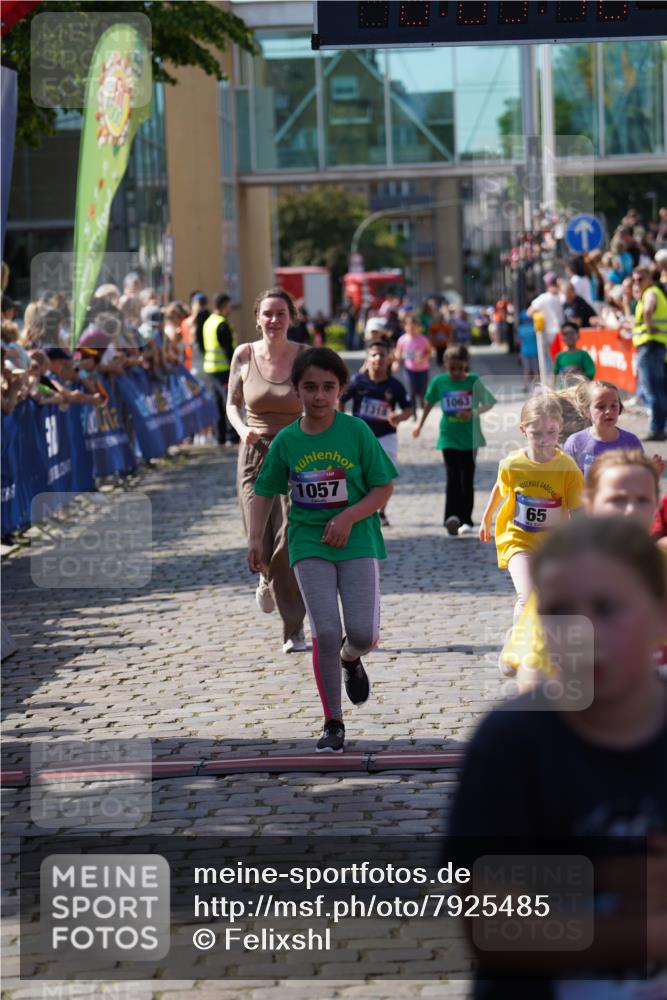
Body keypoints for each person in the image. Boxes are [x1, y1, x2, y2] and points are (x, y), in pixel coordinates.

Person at [448, 516, 667, 999]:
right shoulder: (512, 742)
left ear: (659, 615)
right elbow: (495, 928)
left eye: (608, 608)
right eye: (561, 611)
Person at [248, 347, 397, 753]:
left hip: (358, 540)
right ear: (295, 390)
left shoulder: (357, 432)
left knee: (362, 634)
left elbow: (383, 486)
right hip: (308, 542)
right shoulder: (287, 441)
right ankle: (333, 721)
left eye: (327, 388)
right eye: (310, 387)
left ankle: (352, 659)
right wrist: (255, 538)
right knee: (326, 631)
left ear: (340, 390)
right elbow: (264, 490)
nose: (318, 396)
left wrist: (349, 517)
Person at [500, 448, 663, 685]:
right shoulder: (564, 581)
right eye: (617, 500)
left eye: (642, 500)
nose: (630, 511)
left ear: (656, 505)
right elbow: (534, 678)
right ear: (591, 505)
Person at [226, 287, 307, 654]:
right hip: (254, 453)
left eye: (281, 314)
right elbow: (232, 404)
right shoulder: (243, 354)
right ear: (257, 317)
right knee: (257, 532)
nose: (274, 321)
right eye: (268, 314)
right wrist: (244, 431)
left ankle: (294, 630)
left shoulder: (305, 356)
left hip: (296, 452)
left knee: (290, 538)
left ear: (291, 318)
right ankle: (267, 577)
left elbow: (322, 398)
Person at [479, 393, 584, 622]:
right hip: (518, 540)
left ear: (561, 427)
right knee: (527, 597)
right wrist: (486, 519)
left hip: (553, 545)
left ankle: (542, 647)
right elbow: (500, 487)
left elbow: (578, 509)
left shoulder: (567, 467)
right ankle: (517, 646)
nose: (544, 439)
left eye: (551, 432)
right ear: (523, 430)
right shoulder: (512, 464)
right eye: (536, 433)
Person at [413, 345, 496, 536]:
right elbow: (428, 403)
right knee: (452, 477)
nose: (457, 373)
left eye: (460, 368)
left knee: (467, 478)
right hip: (448, 435)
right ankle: (451, 517)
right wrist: (419, 425)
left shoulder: (474, 380)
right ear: (445, 365)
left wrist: (473, 412)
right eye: (452, 369)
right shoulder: (439, 382)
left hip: (470, 437)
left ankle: (466, 519)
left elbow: (489, 402)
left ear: (466, 364)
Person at [339, 339, 412, 527]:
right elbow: (340, 399)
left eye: (382, 355)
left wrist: (399, 416)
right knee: (360, 475)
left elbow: (409, 409)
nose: (378, 358)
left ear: (389, 359)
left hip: (386, 436)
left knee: (383, 476)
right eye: (374, 355)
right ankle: (362, 510)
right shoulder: (357, 381)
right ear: (368, 358)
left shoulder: (395, 385)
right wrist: (340, 420)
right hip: (360, 437)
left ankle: (381, 512)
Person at [562, 379, 643, 476]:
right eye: (601, 407)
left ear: (620, 407)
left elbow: (640, 481)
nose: (609, 411)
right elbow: (566, 482)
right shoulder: (575, 443)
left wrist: (654, 473)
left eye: (613, 405)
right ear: (586, 411)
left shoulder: (631, 442)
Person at [625, 266, 667, 442]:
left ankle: (657, 429)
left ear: (649, 278)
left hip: (649, 347)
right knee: (659, 390)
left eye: (640, 279)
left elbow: (648, 310)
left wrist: (649, 326)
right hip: (656, 347)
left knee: (653, 391)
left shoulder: (650, 293)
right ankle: (660, 427)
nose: (637, 282)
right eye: (634, 279)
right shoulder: (653, 293)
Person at [202, 293, 239, 446]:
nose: (230, 309)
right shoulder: (222, 324)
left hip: (210, 368)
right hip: (223, 368)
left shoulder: (208, 322)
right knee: (229, 402)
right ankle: (232, 436)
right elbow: (228, 349)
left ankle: (220, 437)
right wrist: (236, 367)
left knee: (217, 403)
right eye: (229, 306)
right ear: (224, 306)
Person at [393, 313, 432, 417]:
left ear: (419, 328)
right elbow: (398, 352)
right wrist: (396, 363)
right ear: (405, 327)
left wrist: (423, 358)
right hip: (409, 369)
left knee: (422, 392)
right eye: (410, 327)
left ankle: (423, 409)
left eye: (415, 327)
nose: (412, 329)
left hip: (423, 369)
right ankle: (414, 413)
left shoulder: (423, 339)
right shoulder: (402, 340)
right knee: (411, 391)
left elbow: (429, 351)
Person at [527, 272, 564, 349]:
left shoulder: (543, 298)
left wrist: (538, 317)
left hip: (548, 332)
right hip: (562, 331)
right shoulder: (563, 296)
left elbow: (529, 312)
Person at [552, 321, 595, 387]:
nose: (569, 336)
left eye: (572, 333)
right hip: (563, 391)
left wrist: (577, 375)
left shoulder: (583, 355)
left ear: (578, 335)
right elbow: (555, 375)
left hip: (579, 390)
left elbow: (590, 374)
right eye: (566, 334)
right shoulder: (560, 356)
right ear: (562, 337)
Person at [517, 310, 539, 392]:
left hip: (524, 352)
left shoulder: (520, 329)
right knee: (535, 369)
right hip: (535, 351)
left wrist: (519, 353)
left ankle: (525, 385)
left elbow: (519, 342)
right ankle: (537, 386)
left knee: (526, 369)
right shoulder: (534, 327)